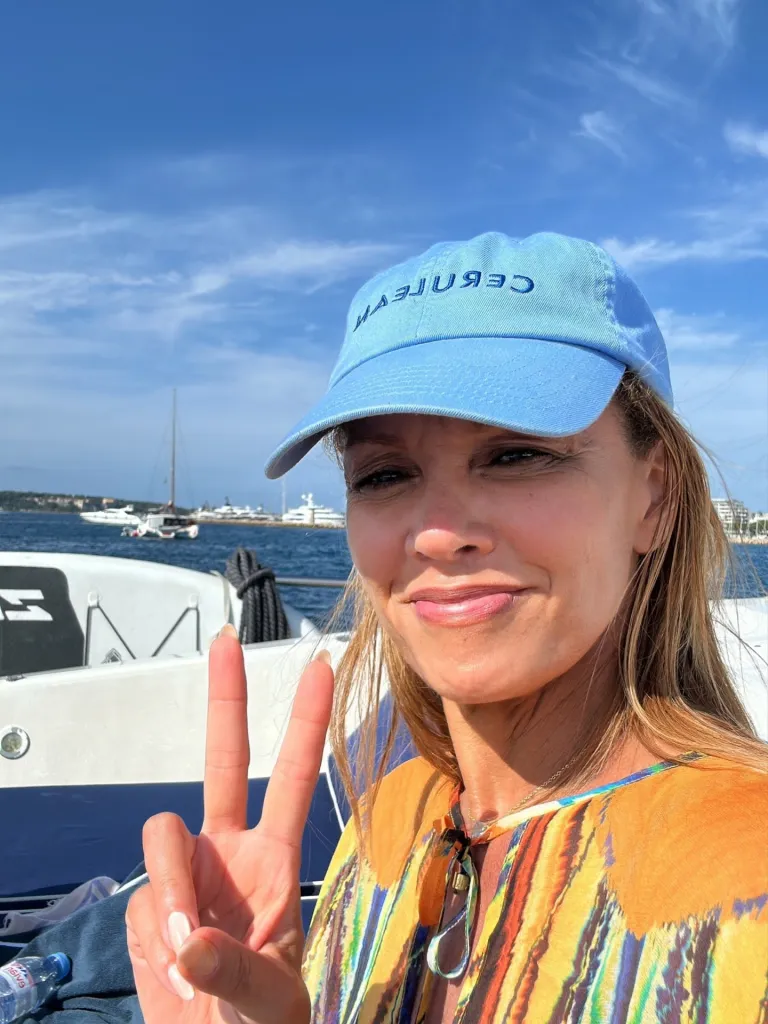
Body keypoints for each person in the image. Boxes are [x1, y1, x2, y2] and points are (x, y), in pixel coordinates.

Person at [124, 231, 768, 1024]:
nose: (435, 534)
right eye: (385, 475)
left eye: (517, 455)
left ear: (655, 498)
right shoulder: (390, 819)